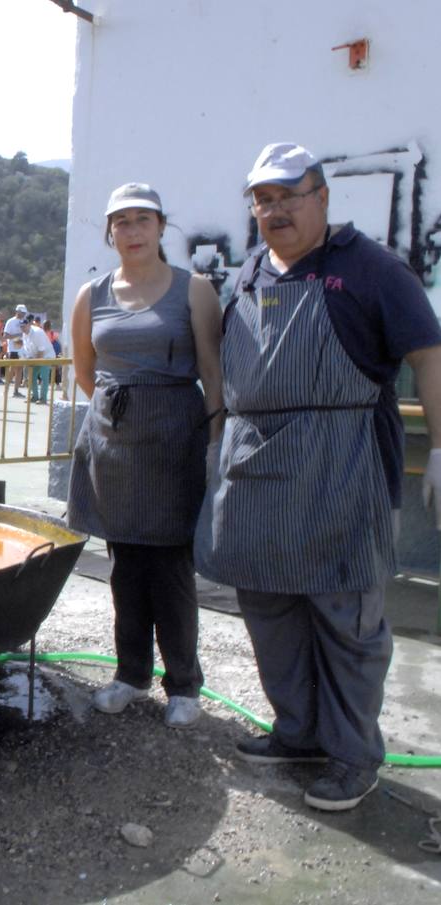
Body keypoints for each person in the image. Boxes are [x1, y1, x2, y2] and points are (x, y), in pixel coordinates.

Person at [197, 143, 441, 811]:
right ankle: (297, 732)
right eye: (263, 200)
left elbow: (429, 354)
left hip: (341, 462)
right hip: (254, 471)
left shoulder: (371, 269)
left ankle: (353, 755)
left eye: (289, 196)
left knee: (346, 620)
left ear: (322, 197)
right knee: (269, 609)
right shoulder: (246, 274)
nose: (275, 210)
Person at [67, 182, 223, 732]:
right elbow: (86, 371)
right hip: (113, 443)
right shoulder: (93, 295)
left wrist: (214, 443)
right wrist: (118, 413)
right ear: (110, 233)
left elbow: (212, 371)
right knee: (125, 564)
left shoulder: (194, 290)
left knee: (171, 566)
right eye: (121, 222)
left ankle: (183, 683)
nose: (131, 231)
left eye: (142, 220)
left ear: (160, 226)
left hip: (174, 438)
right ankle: (130, 674)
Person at [22, 316, 57, 403]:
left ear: (29, 325)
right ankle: (34, 396)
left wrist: (33, 361)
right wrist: (28, 360)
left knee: (44, 377)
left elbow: (41, 351)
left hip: (46, 357)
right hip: (35, 357)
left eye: (24, 326)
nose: (22, 328)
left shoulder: (38, 332)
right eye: (21, 326)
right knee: (32, 376)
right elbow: (28, 350)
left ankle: (43, 398)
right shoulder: (24, 334)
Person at [3, 305, 29, 398]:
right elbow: (5, 336)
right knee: (12, 370)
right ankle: (6, 390)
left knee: (19, 370)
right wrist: (17, 335)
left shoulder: (25, 321)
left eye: (24, 313)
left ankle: (16, 390)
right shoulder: (11, 321)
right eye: (22, 312)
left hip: (22, 350)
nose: (23, 314)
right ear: (17, 311)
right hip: (13, 349)